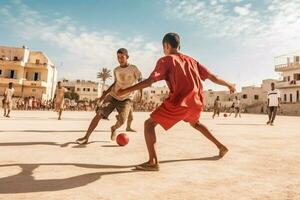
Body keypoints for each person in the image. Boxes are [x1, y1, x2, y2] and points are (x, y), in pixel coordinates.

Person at [118, 33, 235, 171]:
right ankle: (221, 147)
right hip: (196, 103)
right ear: (179, 46)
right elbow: (212, 77)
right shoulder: (192, 61)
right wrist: (229, 85)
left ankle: (153, 162)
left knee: (149, 124)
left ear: (166, 46)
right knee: (195, 124)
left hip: (180, 102)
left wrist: (126, 90)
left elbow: (150, 81)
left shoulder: (166, 60)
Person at [76, 48, 142, 144]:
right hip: (113, 96)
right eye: (118, 57)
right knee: (98, 114)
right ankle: (86, 137)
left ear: (127, 57)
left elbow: (141, 81)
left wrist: (140, 95)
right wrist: (104, 95)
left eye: (122, 57)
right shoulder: (116, 70)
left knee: (123, 120)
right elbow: (115, 83)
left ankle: (114, 128)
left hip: (126, 98)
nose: (120, 59)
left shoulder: (134, 68)